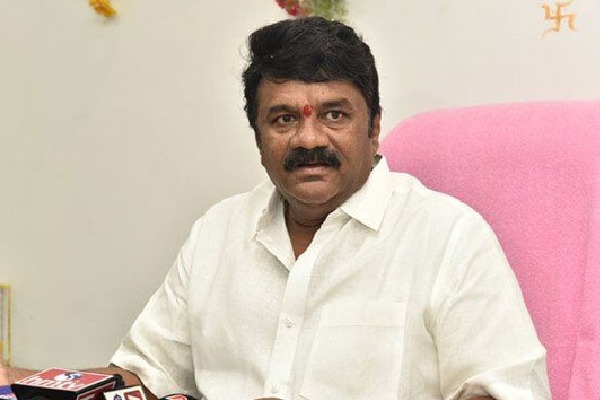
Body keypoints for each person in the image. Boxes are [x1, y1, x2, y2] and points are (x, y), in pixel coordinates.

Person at [1, 16, 550, 400]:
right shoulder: (218, 232)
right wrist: (15, 380)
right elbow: (142, 378)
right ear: (258, 136)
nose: (309, 139)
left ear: (374, 127)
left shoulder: (448, 237)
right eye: (284, 119)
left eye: (335, 115)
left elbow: (505, 393)